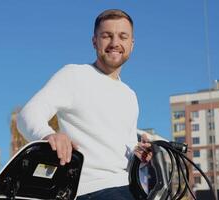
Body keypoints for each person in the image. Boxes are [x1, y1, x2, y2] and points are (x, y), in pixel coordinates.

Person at [17, 9, 151, 200]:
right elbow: (27, 115)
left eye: (123, 36)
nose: (115, 43)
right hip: (89, 190)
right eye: (107, 36)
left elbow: (125, 152)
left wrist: (140, 158)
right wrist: (49, 135)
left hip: (129, 188)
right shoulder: (74, 75)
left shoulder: (130, 95)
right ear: (94, 41)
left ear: (131, 44)